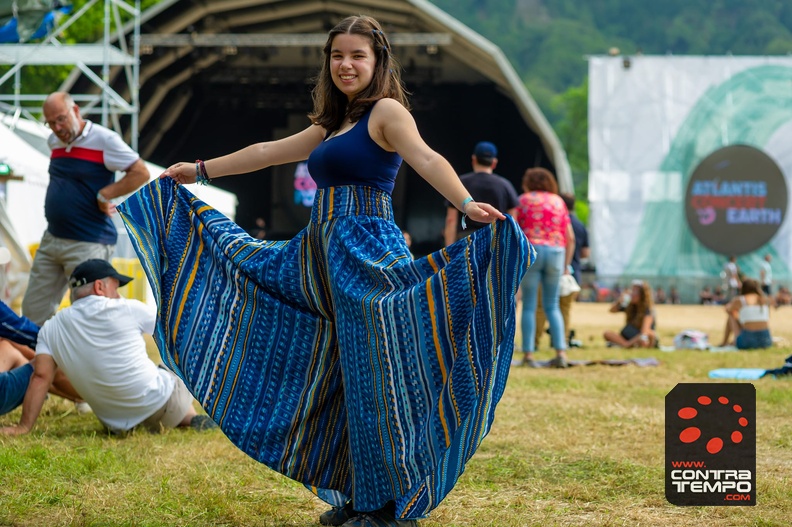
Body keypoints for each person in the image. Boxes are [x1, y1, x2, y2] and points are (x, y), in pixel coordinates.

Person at [117, 15, 532, 527]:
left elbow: (425, 158)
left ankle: (383, 505)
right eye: (337, 55)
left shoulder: (386, 112)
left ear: (377, 61)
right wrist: (201, 171)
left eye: (358, 55)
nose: (346, 64)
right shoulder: (332, 125)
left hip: (365, 256)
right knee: (334, 372)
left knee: (375, 378)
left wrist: (466, 203)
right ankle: (359, 496)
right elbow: (267, 153)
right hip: (318, 254)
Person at [0, 259, 215, 436]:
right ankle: (189, 416)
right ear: (99, 287)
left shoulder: (50, 328)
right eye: (116, 286)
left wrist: (24, 426)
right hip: (161, 408)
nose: (119, 294)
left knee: (159, 370)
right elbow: (178, 332)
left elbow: (40, 378)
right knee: (185, 353)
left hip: (117, 425)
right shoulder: (128, 308)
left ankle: (185, 416)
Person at [21, 92, 150, 326]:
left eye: (61, 119)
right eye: (50, 122)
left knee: (89, 318)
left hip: (89, 242)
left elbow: (141, 172)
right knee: (32, 313)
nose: (57, 127)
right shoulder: (54, 141)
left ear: (76, 111)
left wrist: (106, 194)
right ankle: (34, 362)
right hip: (52, 239)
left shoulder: (105, 140)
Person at [515, 167, 574, 368]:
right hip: (556, 252)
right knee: (552, 304)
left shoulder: (523, 200)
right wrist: (566, 265)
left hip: (532, 251)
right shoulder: (559, 202)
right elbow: (570, 237)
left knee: (529, 305)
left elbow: (514, 229)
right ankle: (561, 352)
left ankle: (528, 354)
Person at [443, 141, 519, 246]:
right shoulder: (505, 185)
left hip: (467, 240)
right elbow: (513, 221)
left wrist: (449, 251)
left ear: (474, 159)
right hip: (495, 241)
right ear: (494, 163)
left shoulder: (460, 183)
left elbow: (451, 220)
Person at [717, 278, 773, 350]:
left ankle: (724, 342)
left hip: (747, 342)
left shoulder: (740, 300)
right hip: (766, 341)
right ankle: (728, 342)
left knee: (731, 315)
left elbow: (728, 309)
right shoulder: (764, 300)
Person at [603, 280, 657, 348]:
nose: (632, 294)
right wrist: (620, 300)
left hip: (640, 338)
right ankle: (625, 344)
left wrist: (628, 343)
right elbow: (612, 310)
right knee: (607, 333)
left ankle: (625, 345)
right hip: (628, 337)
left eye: (635, 292)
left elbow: (644, 332)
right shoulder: (630, 306)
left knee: (650, 334)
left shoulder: (648, 310)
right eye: (632, 291)